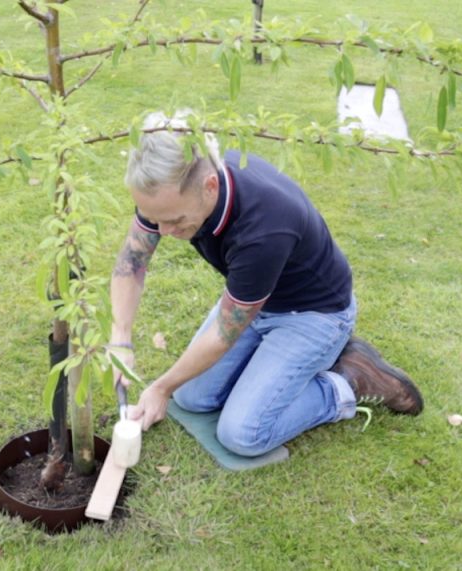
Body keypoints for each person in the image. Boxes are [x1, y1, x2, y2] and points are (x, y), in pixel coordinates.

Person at [109, 110, 423, 458]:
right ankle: (269, 369)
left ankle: (349, 381)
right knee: (193, 398)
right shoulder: (167, 190)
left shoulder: (264, 228)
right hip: (254, 301)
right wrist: (120, 337)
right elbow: (132, 261)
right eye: (155, 219)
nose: (164, 232)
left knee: (243, 434)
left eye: (174, 221)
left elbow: (223, 334)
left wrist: (160, 387)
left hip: (314, 315)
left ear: (209, 185)